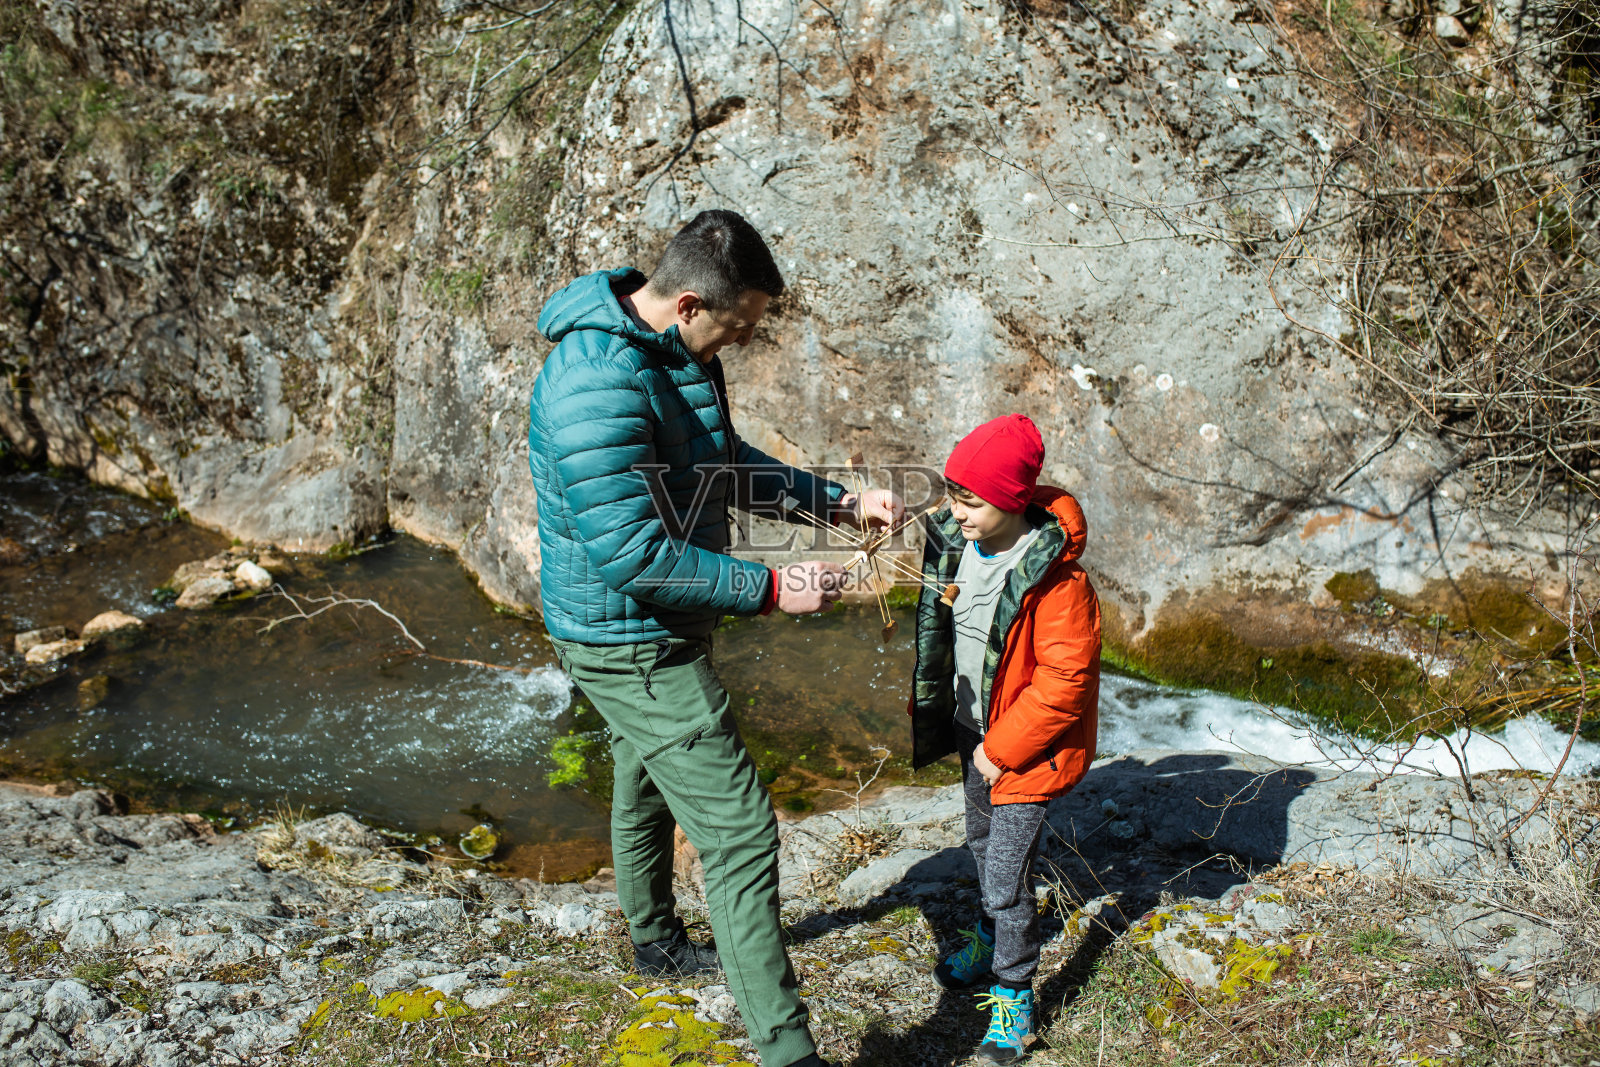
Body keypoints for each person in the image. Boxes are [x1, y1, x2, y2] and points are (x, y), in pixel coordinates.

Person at [527, 209, 901, 1067]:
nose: (747, 339)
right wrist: (772, 587)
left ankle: (655, 945)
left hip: (660, 616)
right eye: (741, 325)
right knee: (736, 829)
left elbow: (719, 460)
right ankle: (786, 1050)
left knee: (645, 773)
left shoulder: (670, 352)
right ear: (691, 303)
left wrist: (832, 502)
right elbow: (632, 553)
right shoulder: (595, 381)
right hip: (628, 634)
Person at [907, 413, 1101, 1064]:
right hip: (973, 731)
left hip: (1022, 751)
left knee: (1007, 878)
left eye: (969, 498)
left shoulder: (1059, 581)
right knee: (981, 840)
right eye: (951, 493)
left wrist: (1002, 748)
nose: (953, 509)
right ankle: (990, 939)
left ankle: (1014, 997)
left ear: (1011, 500)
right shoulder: (960, 543)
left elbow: (1065, 681)